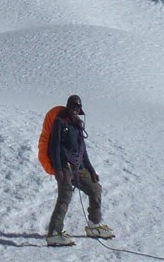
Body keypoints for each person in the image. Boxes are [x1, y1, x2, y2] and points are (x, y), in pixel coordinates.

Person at [45, 94, 113, 245]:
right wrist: (58, 170)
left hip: (78, 167)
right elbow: (54, 147)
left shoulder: (78, 124)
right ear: (68, 106)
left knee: (95, 189)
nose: (75, 109)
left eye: (77, 107)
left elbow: (83, 151)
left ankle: (94, 225)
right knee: (65, 197)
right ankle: (54, 233)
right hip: (64, 166)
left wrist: (91, 170)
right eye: (73, 106)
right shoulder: (60, 122)